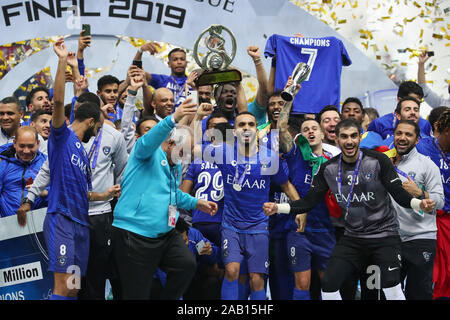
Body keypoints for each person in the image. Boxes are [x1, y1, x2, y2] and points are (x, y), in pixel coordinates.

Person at [263, 118, 436, 300]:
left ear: (360, 137)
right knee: (329, 284)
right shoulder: (328, 168)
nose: (349, 141)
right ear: (336, 139)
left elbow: (398, 193)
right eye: (344, 137)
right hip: (353, 237)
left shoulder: (378, 161)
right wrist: (278, 207)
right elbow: (308, 202)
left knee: (388, 285)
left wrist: (419, 203)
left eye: (354, 136)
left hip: (383, 236)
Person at [31, 38, 120, 300]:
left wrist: (103, 196)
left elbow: (84, 192)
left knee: (75, 290)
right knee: (64, 288)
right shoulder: (62, 137)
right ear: (92, 121)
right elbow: (59, 102)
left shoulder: (81, 149)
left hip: (82, 224)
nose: (99, 131)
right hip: (63, 220)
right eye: (99, 125)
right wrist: (62, 61)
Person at [111, 96, 217, 300]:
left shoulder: (175, 165)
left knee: (186, 265)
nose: (185, 157)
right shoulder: (145, 153)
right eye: (183, 151)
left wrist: (196, 203)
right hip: (134, 233)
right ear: (169, 143)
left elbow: (172, 194)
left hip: (164, 234)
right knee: (137, 294)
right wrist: (174, 117)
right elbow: (148, 139)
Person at [205, 111, 298, 300]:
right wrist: (196, 116)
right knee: (232, 270)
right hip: (231, 226)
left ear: (257, 129)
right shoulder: (224, 152)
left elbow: (286, 185)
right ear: (235, 131)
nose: (246, 128)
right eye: (241, 125)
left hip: (258, 227)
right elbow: (192, 149)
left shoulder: (269, 158)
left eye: (251, 124)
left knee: (257, 280)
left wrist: (301, 210)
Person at [277, 84, 335, 300]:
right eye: (305, 129)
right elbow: (281, 126)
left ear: (322, 133)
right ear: (300, 136)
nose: (310, 131)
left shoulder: (333, 163)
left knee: (329, 283)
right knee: (302, 283)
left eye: (314, 128)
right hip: (298, 231)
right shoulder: (295, 156)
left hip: (325, 230)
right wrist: (290, 97)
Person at [389, 120, 444, 299]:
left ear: (417, 140)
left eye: (408, 134)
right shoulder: (384, 162)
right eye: (399, 134)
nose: (402, 138)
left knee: (418, 294)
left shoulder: (427, 165)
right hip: (389, 239)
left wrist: (420, 193)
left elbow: (440, 201)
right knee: (388, 293)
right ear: (393, 135)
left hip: (420, 238)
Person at [415, 108, 450, 299]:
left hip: (448, 223)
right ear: (445, 131)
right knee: (428, 275)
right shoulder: (422, 147)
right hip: (426, 221)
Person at [0, 127, 47, 218]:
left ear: (38, 143)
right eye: (22, 146)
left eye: (30, 146)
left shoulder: (47, 163)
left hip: (40, 224)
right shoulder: (4, 163)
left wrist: (45, 193)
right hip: (8, 225)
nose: (26, 151)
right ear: (14, 143)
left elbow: (60, 196)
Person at [367, 81, 433, 139]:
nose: (415, 105)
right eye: (412, 100)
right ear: (399, 100)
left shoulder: (425, 124)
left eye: (419, 102)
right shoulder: (379, 124)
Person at [135, 43, 188, 108]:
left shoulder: (193, 82)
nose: (179, 62)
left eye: (182, 59)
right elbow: (137, 72)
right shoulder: (162, 80)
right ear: (169, 64)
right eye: (175, 59)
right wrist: (140, 51)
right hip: (164, 118)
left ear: (186, 63)